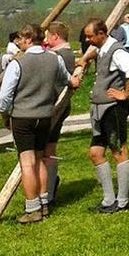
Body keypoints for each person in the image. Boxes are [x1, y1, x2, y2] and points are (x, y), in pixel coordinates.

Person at [0, 23, 71, 224]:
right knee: (41, 159)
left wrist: (5, 115)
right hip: (45, 116)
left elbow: (5, 97)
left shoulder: (18, 63)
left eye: (21, 39)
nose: (19, 43)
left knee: (27, 163)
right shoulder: (55, 59)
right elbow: (67, 80)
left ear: (29, 39)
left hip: (23, 117)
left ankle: (32, 208)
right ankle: (44, 203)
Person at [81, 18, 129, 214]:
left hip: (113, 108)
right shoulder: (102, 49)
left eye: (90, 36)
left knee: (118, 150)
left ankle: (122, 202)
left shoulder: (117, 51)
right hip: (99, 109)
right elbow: (94, 52)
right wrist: (85, 59)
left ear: (102, 34)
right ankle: (108, 200)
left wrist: (125, 94)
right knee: (95, 153)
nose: (88, 40)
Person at [43, 21, 76, 205]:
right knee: (49, 148)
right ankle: (49, 185)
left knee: (47, 149)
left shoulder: (59, 56)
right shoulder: (66, 53)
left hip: (54, 107)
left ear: (55, 36)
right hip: (58, 106)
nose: (47, 40)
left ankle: (49, 189)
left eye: (48, 36)